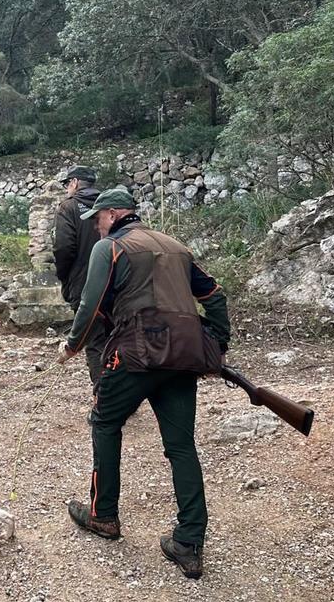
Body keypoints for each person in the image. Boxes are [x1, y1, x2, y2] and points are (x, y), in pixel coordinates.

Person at [58, 188, 230, 580]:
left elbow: (90, 302)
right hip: (183, 357)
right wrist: (217, 344)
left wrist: (72, 345)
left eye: (99, 220)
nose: (98, 230)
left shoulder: (111, 248)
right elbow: (215, 296)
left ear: (115, 214)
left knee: (104, 422)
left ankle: (104, 516)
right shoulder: (175, 246)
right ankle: (188, 543)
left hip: (135, 354)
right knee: (181, 446)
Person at [53, 166, 105, 386]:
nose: (66, 189)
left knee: (94, 343)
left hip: (84, 285)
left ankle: (105, 402)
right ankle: (124, 400)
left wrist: (65, 278)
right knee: (118, 340)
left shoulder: (69, 207)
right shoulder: (110, 207)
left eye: (67, 184)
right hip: (120, 285)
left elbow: (63, 247)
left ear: (74, 183)